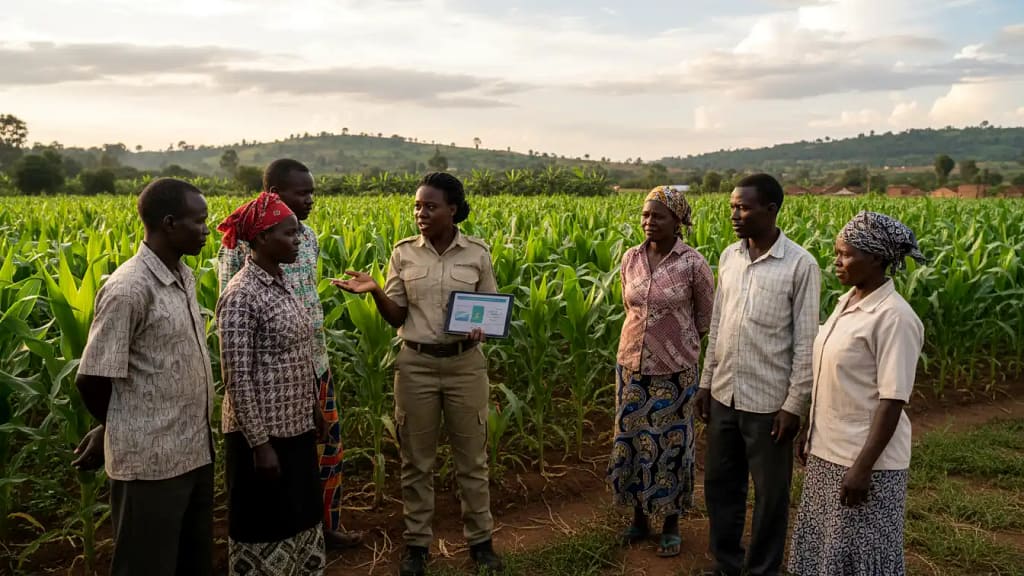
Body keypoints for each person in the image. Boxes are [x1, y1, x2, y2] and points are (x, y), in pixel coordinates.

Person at [332, 172, 503, 576]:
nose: (420, 213)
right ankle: (417, 547)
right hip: (416, 365)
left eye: (430, 206)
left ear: (453, 210)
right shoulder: (403, 253)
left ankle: (481, 543)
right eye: (417, 205)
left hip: (465, 364)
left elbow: (492, 311)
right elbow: (397, 315)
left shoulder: (477, 253)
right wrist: (375, 291)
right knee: (416, 462)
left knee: (472, 460)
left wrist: (484, 326)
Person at [73, 178, 215, 576]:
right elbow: (92, 377)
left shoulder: (181, 274)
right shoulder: (129, 288)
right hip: (150, 465)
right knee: (146, 565)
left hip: (193, 451)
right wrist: (116, 426)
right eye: (199, 221)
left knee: (192, 562)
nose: (206, 229)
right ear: (169, 223)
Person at [219, 159, 360, 549]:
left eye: (312, 192)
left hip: (313, 361)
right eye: (303, 192)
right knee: (274, 458)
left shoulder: (308, 237)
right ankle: (278, 539)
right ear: (274, 195)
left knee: (326, 446)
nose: (310, 199)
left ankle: (323, 527)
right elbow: (233, 319)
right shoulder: (240, 245)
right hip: (268, 372)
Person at [695, 173, 821, 576]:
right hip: (724, 394)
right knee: (720, 484)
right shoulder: (730, 257)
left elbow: (806, 343)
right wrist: (704, 382)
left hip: (770, 404)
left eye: (744, 207)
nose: (735, 213)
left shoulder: (801, 265)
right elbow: (718, 325)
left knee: (770, 495)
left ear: (771, 210)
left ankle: (764, 569)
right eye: (733, 206)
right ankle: (726, 563)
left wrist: (794, 405)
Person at [788, 211, 925, 576]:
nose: (837, 260)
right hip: (828, 451)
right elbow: (832, 380)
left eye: (846, 254)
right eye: (836, 252)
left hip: (864, 461)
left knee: (860, 556)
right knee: (826, 549)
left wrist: (863, 467)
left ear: (877, 258)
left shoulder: (894, 317)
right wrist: (810, 431)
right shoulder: (846, 302)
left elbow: (892, 400)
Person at [217, 192, 327, 576]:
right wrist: (260, 445)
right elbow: (237, 378)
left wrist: (313, 405)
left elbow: (299, 350)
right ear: (262, 238)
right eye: (289, 233)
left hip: (295, 428)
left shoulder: (282, 283)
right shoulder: (240, 294)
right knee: (266, 524)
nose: (298, 240)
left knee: (300, 516)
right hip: (262, 438)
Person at [608, 186, 714, 558]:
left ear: (677, 221)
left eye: (658, 216)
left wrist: (671, 345)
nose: (649, 222)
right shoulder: (630, 258)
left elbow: (704, 320)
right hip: (631, 366)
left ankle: (671, 523)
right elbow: (629, 306)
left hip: (674, 371)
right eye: (645, 215)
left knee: (670, 444)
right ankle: (639, 518)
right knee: (635, 439)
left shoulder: (693, 264)